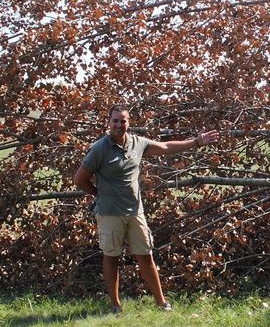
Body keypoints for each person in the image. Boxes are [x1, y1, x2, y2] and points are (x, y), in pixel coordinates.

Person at [73, 104, 220, 313]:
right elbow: (80, 179)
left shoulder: (137, 143)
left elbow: (167, 147)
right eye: (115, 120)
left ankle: (161, 302)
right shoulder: (99, 149)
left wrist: (196, 142)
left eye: (122, 121)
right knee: (111, 256)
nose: (118, 124)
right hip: (110, 213)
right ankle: (115, 305)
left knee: (146, 255)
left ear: (128, 123)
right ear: (108, 123)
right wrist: (99, 195)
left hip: (135, 211)